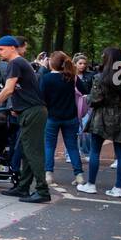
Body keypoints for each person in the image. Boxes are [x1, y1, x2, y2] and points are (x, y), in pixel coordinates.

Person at [0, 35, 49, 203]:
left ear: (12, 48)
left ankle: (42, 191)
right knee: (26, 151)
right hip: (29, 112)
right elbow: (25, 89)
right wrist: (16, 108)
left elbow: (8, 90)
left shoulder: (15, 63)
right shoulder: (20, 63)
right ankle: (23, 187)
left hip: (33, 112)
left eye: (1, 49)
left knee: (33, 152)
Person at [76, 46, 121, 198]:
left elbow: (95, 99)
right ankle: (118, 188)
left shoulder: (100, 77)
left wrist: (88, 98)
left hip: (103, 116)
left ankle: (91, 184)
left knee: (95, 151)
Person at [40, 51, 84, 187]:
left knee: (49, 146)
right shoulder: (72, 77)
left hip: (52, 116)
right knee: (72, 146)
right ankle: (79, 175)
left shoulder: (46, 78)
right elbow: (84, 90)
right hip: (71, 116)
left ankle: (48, 174)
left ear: (51, 63)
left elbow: (41, 98)